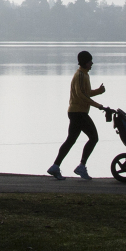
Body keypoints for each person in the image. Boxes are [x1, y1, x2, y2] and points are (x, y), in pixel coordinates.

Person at [47, 50, 105, 180]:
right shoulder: (79, 75)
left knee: (71, 140)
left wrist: (99, 92)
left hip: (77, 112)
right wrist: (99, 106)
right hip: (78, 112)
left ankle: (55, 166)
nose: (92, 64)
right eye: (90, 61)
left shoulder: (84, 75)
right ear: (85, 62)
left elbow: (86, 92)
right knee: (94, 137)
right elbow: (80, 95)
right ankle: (81, 166)